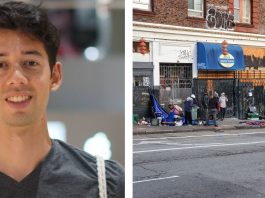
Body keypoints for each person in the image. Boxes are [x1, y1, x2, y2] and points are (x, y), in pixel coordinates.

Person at [0, 2, 124, 198]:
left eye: (30, 63)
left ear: (55, 76)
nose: (16, 78)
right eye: (1, 64)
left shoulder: (107, 184)